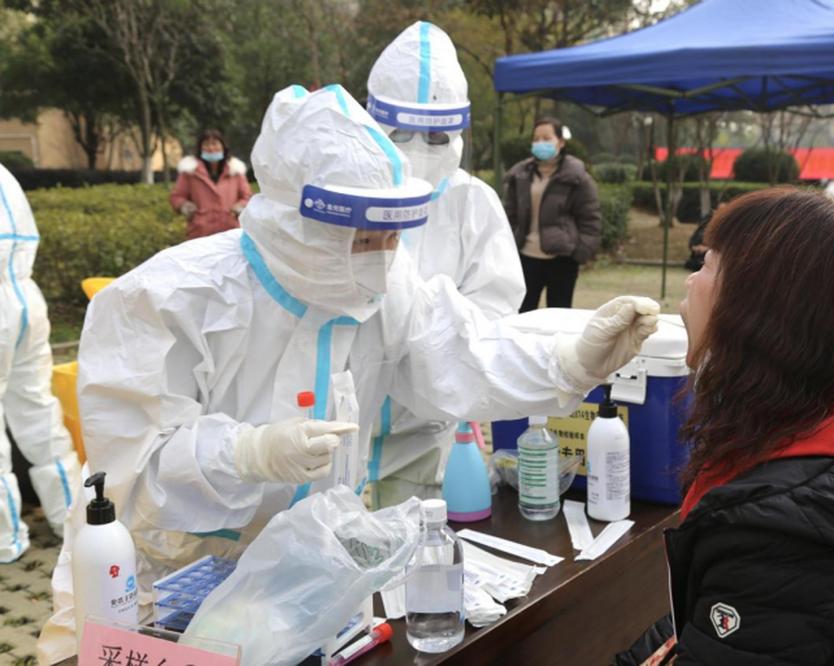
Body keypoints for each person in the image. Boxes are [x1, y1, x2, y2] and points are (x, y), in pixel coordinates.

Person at [38, 84, 659, 662]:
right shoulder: (166, 300)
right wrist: (247, 453)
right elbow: (131, 475)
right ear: (297, 221)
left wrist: (570, 361)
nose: (382, 259)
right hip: (157, 588)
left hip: (305, 585)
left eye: (391, 237)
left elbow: (462, 352)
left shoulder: (386, 287)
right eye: (363, 238)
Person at [620, 188, 834, 664]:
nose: (691, 282)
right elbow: (712, 624)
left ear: (763, 318)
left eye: (709, 266)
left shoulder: (779, 533)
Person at [364, 22, 525, 507]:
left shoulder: (472, 203)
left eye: (435, 136)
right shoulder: (350, 194)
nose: (416, 149)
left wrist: (426, 331)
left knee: (421, 549)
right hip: (341, 428)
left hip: (431, 427)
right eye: (401, 132)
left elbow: (495, 314)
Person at [0, 164, 81, 562]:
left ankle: (5, 540)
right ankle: (72, 521)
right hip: (25, 297)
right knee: (38, 410)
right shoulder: (5, 176)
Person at [504, 117, 601, 312]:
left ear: (561, 142)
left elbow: (590, 219)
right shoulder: (520, 175)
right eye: (536, 138)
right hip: (525, 258)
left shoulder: (577, 177)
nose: (541, 143)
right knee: (522, 316)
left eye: (547, 138)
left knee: (559, 318)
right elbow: (508, 215)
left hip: (562, 260)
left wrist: (579, 253)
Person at [169, 129, 252, 240]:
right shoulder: (190, 172)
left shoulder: (235, 171)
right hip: (200, 232)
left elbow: (247, 196)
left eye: (215, 144)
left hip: (231, 232)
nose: (211, 148)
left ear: (223, 147)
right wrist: (184, 206)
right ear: (200, 148)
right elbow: (177, 196)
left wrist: (240, 206)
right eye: (206, 144)